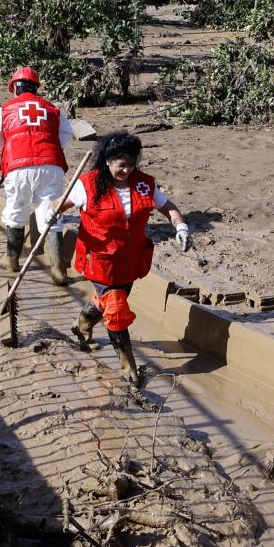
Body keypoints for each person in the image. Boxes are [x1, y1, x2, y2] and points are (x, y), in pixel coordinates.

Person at [57, 131, 191, 386]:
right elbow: (59, 205)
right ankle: (129, 368)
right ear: (108, 161)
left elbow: (168, 207)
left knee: (109, 300)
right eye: (121, 165)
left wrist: (180, 226)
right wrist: (50, 215)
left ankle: (81, 325)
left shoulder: (143, 184)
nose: (126, 170)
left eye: (130, 165)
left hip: (130, 260)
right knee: (116, 311)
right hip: (101, 261)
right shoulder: (87, 184)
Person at [0, 65, 74, 278]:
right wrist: (50, 150)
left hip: (19, 166)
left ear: (15, 88)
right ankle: (58, 269)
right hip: (51, 165)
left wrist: (6, 154)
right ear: (35, 87)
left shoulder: (6, 109)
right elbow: (66, 134)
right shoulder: (52, 108)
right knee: (51, 214)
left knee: (16, 211)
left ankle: (12, 260)